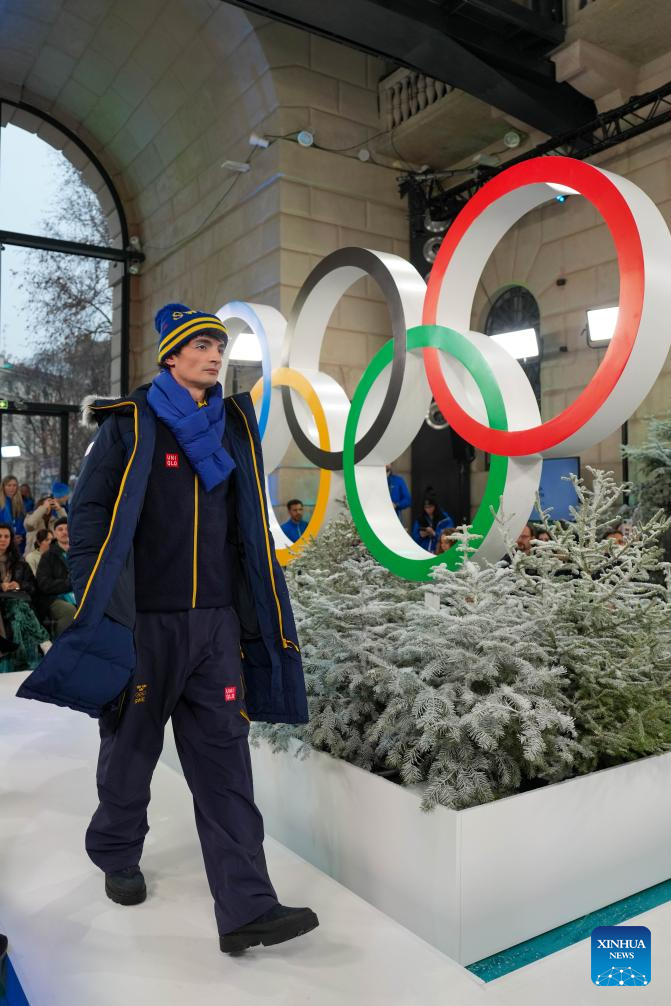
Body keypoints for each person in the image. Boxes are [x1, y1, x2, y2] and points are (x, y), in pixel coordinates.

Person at [17, 302, 318, 955]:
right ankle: (116, 851)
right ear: (172, 356)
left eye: (219, 347)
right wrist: (98, 596)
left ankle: (247, 908)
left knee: (226, 763)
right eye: (201, 346)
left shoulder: (230, 426)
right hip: (145, 623)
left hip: (216, 626)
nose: (214, 356)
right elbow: (90, 514)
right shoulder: (130, 425)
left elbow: (244, 524)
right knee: (131, 750)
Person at [0, 522, 49, 672]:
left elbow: (33, 587)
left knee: (18, 613)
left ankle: (19, 665)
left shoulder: (20, 562)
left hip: (18, 601)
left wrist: (18, 585)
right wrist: (1, 586)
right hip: (2, 604)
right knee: (18, 609)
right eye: (0, 536)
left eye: (6, 536)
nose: (3, 539)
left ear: (11, 539)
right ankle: (44, 642)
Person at [35, 517, 76, 636]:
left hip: (81, 593)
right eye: (60, 529)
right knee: (69, 611)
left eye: (67, 529)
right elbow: (44, 584)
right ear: (55, 534)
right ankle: (63, 645)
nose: (64, 532)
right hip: (55, 598)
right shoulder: (47, 556)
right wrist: (68, 584)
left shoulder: (80, 553)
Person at [0, 475, 26, 554]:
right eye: (9, 485)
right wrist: (11, 537)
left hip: (19, 543)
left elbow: (22, 523)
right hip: (3, 542)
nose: (12, 488)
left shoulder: (20, 503)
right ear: (3, 487)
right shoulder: (1, 504)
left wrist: (21, 536)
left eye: (14, 485)